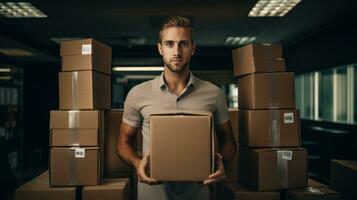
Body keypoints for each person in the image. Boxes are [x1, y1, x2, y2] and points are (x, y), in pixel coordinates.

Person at [117, 16, 236, 200]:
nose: (177, 51)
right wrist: (137, 162)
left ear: (193, 48)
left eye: (184, 44)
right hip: (153, 194)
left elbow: (228, 141)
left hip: (198, 193)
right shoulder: (138, 94)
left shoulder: (214, 94)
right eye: (170, 44)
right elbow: (123, 141)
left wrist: (222, 162)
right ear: (160, 48)